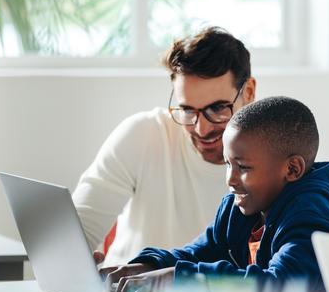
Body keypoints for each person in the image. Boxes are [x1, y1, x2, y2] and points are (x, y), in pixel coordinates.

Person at [102, 96, 329, 292]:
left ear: (292, 169)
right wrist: (150, 265)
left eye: (243, 168)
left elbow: (279, 286)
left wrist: (180, 278)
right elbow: (197, 253)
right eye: (229, 164)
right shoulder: (238, 208)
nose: (230, 179)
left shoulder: (311, 217)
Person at [72, 27, 256, 265]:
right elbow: (77, 231)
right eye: (187, 110)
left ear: (249, 92)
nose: (201, 129)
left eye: (218, 108)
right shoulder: (144, 135)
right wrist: (76, 263)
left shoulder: (277, 160)